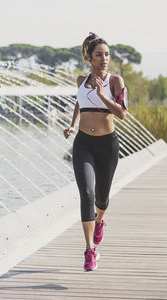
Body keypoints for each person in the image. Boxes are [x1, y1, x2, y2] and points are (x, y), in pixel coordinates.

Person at [63, 32, 128, 272]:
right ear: (89, 58)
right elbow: (80, 102)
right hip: (83, 144)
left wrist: (102, 96)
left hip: (107, 145)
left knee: (101, 198)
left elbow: (122, 112)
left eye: (107, 54)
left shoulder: (115, 81)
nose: (104, 59)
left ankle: (99, 221)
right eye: (99, 55)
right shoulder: (81, 80)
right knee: (87, 194)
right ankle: (90, 250)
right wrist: (72, 124)